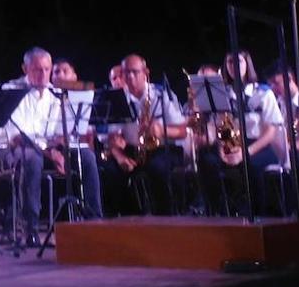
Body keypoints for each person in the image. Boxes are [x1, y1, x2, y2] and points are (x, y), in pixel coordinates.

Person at [2, 48, 104, 245]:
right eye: (37, 69)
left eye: (47, 69)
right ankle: (30, 227)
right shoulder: (11, 91)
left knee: (88, 157)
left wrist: (61, 147)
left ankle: (94, 219)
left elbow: (61, 131)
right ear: (25, 68)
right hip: (16, 148)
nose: (43, 75)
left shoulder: (56, 94)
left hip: (49, 149)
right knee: (32, 159)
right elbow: (19, 137)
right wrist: (53, 155)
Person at [197, 51, 282, 216]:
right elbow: (220, 124)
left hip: (258, 145)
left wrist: (245, 153)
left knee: (252, 165)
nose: (234, 65)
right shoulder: (222, 93)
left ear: (247, 64)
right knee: (206, 160)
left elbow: (271, 131)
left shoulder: (264, 93)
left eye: (239, 61)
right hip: (232, 142)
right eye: (229, 62)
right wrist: (222, 149)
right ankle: (215, 212)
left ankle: (258, 214)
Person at [100, 54, 186, 215]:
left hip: (161, 148)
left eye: (134, 72)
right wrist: (119, 157)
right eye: (126, 73)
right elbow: (112, 137)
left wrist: (162, 130)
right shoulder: (119, 98)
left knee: (157, 169)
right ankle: (128, 221)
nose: (130, 77)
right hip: (133, 149)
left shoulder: (161, 95)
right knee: (110, 171)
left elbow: (182, 131)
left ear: (145, 72)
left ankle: (166, 219)